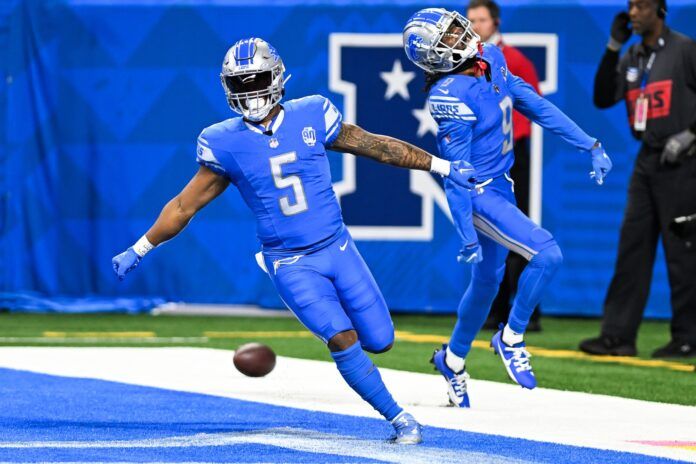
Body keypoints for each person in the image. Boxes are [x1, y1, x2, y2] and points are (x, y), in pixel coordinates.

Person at [112, 37, 478, 444]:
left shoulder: (312, 114)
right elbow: (183, 206)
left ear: (276, 76)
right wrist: (140, 247)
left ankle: (375, 372)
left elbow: (377, 146)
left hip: (337, 248)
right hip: (289, 260)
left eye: (256, 80)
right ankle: (399, 419)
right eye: (241, 83)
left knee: (381, 340)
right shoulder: (223, 141)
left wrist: (442, 165)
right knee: (342, 338)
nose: (250, 92)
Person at [402, 8, 612, 407]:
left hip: (503, 184)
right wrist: (466, 233)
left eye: (454, 27)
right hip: (479, 192)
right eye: (446, 37)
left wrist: (589, 142)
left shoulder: (490, 58)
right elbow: (457, 174)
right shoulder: (449, 96)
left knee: (486, 283)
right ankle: (511, 337)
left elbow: (531, 102)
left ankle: (452, 359)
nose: (460, 34)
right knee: (547, 253)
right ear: (433, 56)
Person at [579, 0, 696, 359]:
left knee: (683, 250)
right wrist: (613, 46)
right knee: (632, 248)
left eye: (641, 6)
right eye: (630, 6)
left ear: (660, 11)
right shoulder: (632, 56)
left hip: (684, 158)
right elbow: (601, 98)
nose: (633, 13)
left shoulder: (685, 50)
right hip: (647, 159)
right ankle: (618, 336)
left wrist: (692, 134)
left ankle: (688, 336)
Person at [466, 0, 543, 332]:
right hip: (480, 156)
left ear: (495, 23)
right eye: (470, 20)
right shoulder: (466, 64)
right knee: (489, 230)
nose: (474, 26)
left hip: (510, 153)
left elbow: (531, 104)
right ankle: (496, 309)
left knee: (514, 226)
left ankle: (525, 310)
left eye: (480, 20)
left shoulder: (512, 60)